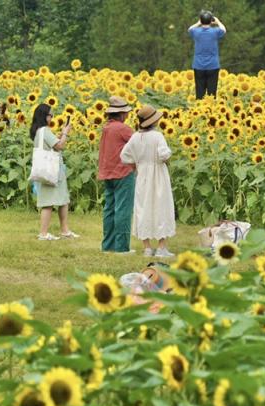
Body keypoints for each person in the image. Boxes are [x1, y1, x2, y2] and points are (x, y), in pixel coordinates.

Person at [120, 104, 176, 257]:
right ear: (153, 121)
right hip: (158, 174)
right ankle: (162, 247)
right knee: (161, 207)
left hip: (142, 174)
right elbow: (164, 154)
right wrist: (168, 158)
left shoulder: (135, 137)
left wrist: (136, 165)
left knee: (143, 208)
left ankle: (147, 248)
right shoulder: (157, 136)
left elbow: (124, 155)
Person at [30, 103, 79, 241]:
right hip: (51, 171)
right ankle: (44, 233)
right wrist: (65, 133)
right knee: (48, 202)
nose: (52, 117)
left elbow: (52, 144)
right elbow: (60, 146)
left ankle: (65, 230)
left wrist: (58, 136)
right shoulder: (45, 130)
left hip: (52, 170)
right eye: (50, 115)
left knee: (63, 199)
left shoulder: (39, 131)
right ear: (45, 116)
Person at [98, 96, 135, 253]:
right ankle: (121, 247)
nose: (127, 115)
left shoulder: (106, 128)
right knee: (123, 209)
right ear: (120, 114)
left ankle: (108, 245)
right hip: (123, 172)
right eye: (126, 113)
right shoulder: (123, 128)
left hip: (107, 172)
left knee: (109, 209)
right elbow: (137, 144)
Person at [188, 10, 226, 100]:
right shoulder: (215, 32)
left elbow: (189, 29)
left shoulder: (196, 32)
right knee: (212, 93)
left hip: (198, 66)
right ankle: (211, 111)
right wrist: (218, 22)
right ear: (211, 20)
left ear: (201, 20)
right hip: (213, 66)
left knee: (199, 93)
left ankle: (199, 111)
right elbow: (224, 30)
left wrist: (198, 23)